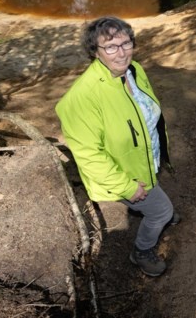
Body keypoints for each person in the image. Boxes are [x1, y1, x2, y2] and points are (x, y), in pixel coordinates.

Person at [56, 16, 177, 277]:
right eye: (110, 46)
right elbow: (90, 158)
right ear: (95, 52)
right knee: (162, 211)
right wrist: (127, 187)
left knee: (154, 198)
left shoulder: (134, 70)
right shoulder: (81, 99)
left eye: (126, 43)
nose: (121, 53)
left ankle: (147, 206)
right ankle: (141, 251)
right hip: (124, 174)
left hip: (144, 160)